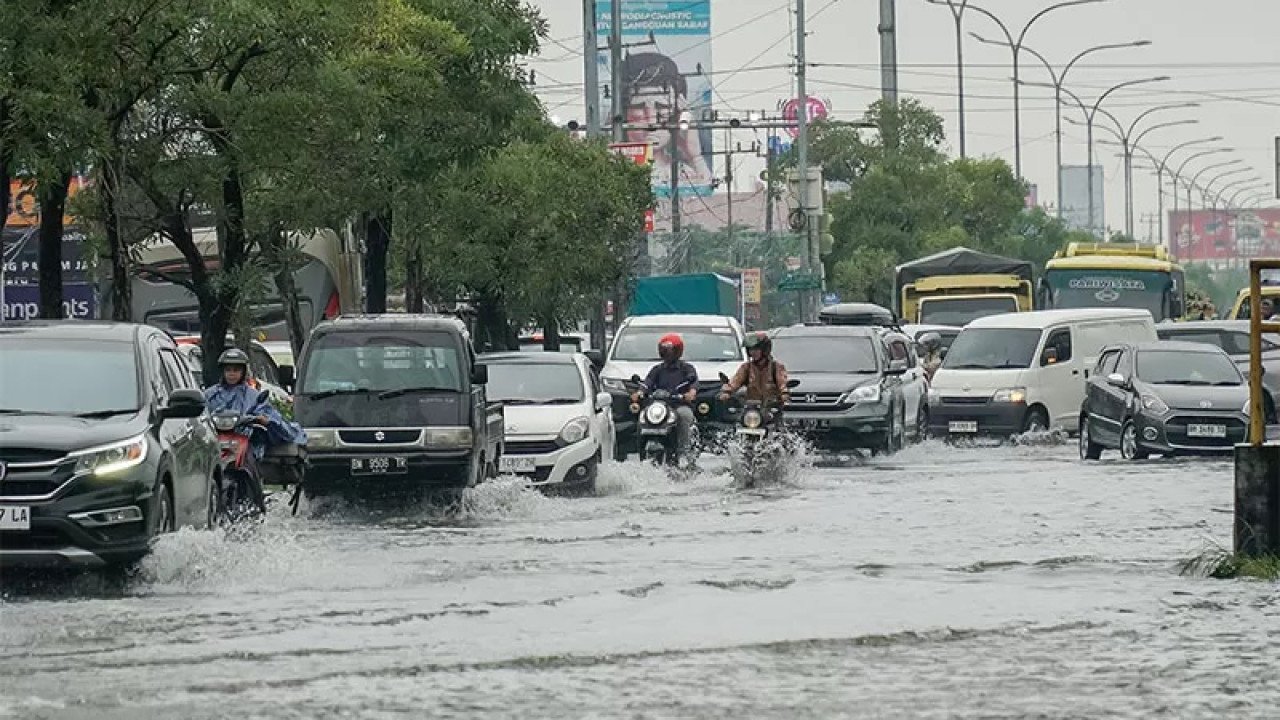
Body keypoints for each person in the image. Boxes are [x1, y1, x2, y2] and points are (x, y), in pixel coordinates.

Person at [204, 348, 306, 460]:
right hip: (214, 440)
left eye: (236, 370)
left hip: (246, 441)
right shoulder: (210, 394)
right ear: (222, 372)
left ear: (243, 372)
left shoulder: (253, 395)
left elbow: (267, 412)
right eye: (228, 370)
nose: (231, 374)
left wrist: (265, 420)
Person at [632, 333, 698, 457]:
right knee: (642, 417)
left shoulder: (687, 368)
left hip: (679, 404)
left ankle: (684, 452)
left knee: (685, 416)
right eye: (664, 350)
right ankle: (640, 451)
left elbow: (693, 383)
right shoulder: (657, 369)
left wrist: (690, 393)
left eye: (669, 350)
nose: (666, 353)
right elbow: (648, 383)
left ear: (678, 351)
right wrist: (639, 392)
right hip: (659, 406)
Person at [719, 332, 790, 411]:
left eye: (756, 349)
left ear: (765, 349)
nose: (753, 352)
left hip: (772, 408)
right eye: (750, 349)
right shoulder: (746, 367)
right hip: (752, 409)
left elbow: (782, 382)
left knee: (780, 421)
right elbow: (736, 381)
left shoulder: (776, 367)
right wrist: (726, 392)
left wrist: (784, 394)